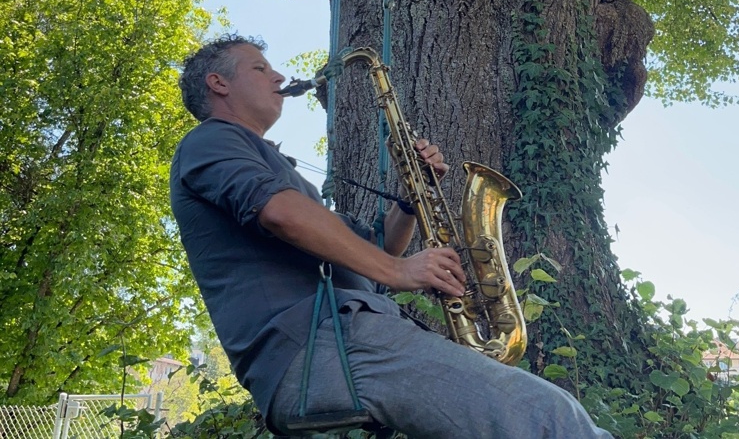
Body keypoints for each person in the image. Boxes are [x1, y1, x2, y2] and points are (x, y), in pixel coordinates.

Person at [170, 33, 613, 438]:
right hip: (319, 342)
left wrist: (409, 196)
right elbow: (282, 214)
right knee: (550, 418)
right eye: (259, 68)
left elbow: (378, 248)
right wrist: (397, 270)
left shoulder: (275, 169)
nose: (279, 75)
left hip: (340, 338)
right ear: (218, 84)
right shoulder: (210, 141)